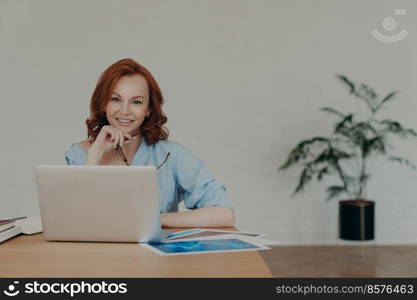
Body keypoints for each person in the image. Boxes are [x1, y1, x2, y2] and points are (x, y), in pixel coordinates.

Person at [64, 58, 234, 228]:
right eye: (115, 99)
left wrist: (153, 220)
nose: (124, 111)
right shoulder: (79, 155)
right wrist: (95, 153)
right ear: (103, 104)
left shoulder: (170, 155)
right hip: (94, 254)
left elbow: (224, 214)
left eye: (136, 102)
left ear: (148, 109)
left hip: (151, 254)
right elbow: (73, 220)